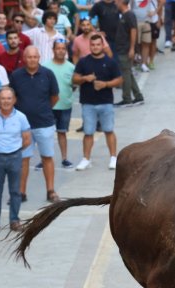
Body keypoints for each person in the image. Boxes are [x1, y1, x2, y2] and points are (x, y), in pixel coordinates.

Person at [10, 46, 61, 202]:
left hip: (44, 123)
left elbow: (54, 97)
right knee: (23, 159)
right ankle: (21, 193)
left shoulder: (48, 74)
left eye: (35, 57)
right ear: (24, 58)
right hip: (23, 126)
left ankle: (51, 191)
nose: (32, 60)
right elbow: (12, 97)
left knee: (47, 157)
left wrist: (42, 109)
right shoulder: (16, 76)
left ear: (39, 58)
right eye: (29, 57)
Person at [0, 87, 33, 233]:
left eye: (9, 98)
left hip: (15, 157)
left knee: (15, 191)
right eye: (2, 98)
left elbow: (27, 139)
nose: (6, 101)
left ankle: (14, 221)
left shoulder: (21, 117)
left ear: (14, 100)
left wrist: (15, 150)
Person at [73, 34, 123, 170]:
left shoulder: (110, 62)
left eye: (98, 44)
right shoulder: (83, 62)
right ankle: (86, 159)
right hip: (88, 103)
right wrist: (85, 78)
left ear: (102, 45)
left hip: (106, 102)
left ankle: (113, 157)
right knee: (88, 132)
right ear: (90, 46)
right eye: (93, 45)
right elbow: (74, 79)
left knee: (109, 130)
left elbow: (119, 80)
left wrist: (105, 84)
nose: (95, 47)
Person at [43, 39, 77, 169]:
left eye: (63, 48)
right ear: (53, 50)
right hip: (48, 106)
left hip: (65, 106)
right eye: (58, 48)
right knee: (47, 134)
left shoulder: (71, 67)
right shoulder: (45, 66)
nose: (61, 51)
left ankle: (64, 158)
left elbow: (73, 86)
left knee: (62, 132)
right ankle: (45, 159)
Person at [115, 0, 145, 107]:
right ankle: (138, 96)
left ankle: (127, 98)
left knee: (125, 74)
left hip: (126, 48)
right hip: (122, 48)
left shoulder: (129, 15)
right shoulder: (122, 15)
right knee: (128, 73)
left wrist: (132, 48)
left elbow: (133, 31)